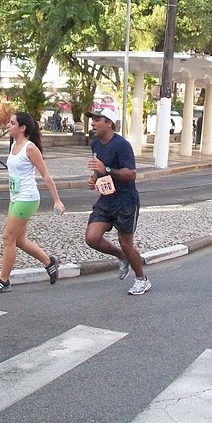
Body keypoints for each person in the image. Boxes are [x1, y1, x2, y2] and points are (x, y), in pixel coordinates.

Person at [0, 112, 65, 294]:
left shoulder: (30, 148)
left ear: (22, 128)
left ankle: (3, 280)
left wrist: (57, 200)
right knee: (19, 240)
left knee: (8, 238)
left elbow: (45, 175)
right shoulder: (13, 145)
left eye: (12, 123)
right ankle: (49, 262)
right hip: (15, 197)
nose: (8, 126)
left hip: (27, 198)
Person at [84, 107, 151, 295]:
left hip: (125, 201)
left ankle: (142, 279)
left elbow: (131, 174)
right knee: (92, 238)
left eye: (98, 119)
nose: (93, 123)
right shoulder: (95, 144)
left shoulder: (122, 145)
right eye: (93, 119)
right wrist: (94, 179)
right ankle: (121, 257)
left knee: (126, 242)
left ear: (109, 123)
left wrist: (106, 169)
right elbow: (98, 170)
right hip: (106, 199)